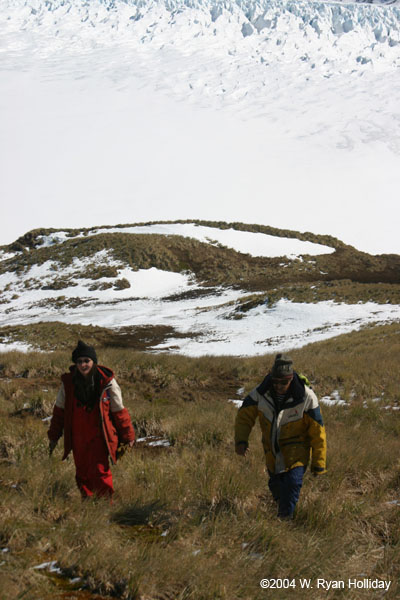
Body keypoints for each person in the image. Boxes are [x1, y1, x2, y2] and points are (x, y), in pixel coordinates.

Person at [234, 353, 326, 519]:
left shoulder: (306, 397)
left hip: (297, 453)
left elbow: (317, 431)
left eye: (284, 382)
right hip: (272, 453)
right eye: (275, 381)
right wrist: (241, 440)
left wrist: (319, 462)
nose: (279, 386)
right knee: (277, 487)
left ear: (291, 379)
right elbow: (244, 416)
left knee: (292, 484)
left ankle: (284, 522)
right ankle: (281, 507)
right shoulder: (260, 394)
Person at [48, 341, 135, 499]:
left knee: (100, 471)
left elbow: (119, 411)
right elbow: (59, 412)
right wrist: (53, 435)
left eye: (86, 361)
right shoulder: (68, 383)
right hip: (77, 436)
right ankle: (87, 502)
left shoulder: (108, 383)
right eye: (79, 361)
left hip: (99, 436)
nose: (83, 365)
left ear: (94, 361)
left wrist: (128, 436)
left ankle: (105, 504)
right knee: (81, 471)